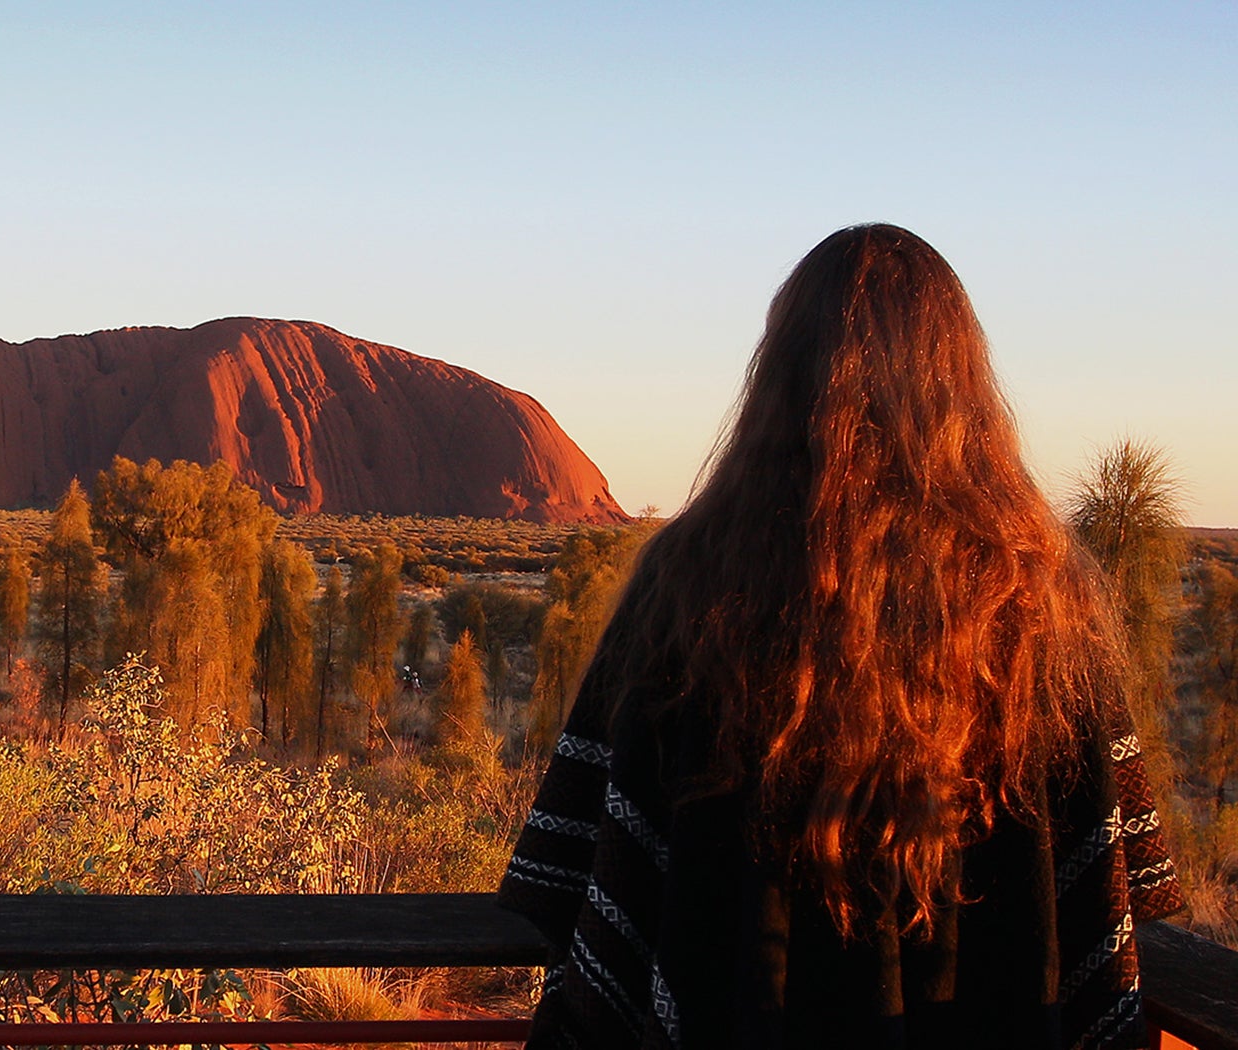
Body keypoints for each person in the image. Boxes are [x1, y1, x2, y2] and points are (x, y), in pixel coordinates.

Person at [499, 224, 1182, 1049]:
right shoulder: (1040, 592)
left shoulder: (690, 581)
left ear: (780, 372)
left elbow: (586, 864)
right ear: (963, 375)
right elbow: (1111, 881)